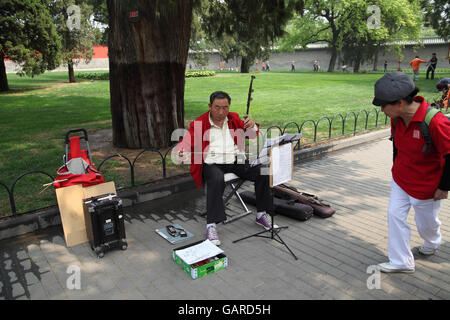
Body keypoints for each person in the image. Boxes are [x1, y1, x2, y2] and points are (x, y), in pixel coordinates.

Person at [372, 72, 450, 273]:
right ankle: (401, 262)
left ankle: (432, 243)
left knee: (426, 224)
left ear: (399, 103)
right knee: (394, 216)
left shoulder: (436, 122)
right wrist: (395, 169)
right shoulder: (396, 118)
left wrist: (444, 187)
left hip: (427, 186)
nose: (381, 110)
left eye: (383, 105)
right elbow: (397, 146)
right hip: (401, 179)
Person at [176, 91, 275, 246]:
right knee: (216, 179)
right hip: (211, 162)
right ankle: (211, 225)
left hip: (234, 159)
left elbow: (252, 135)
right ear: (210, 106)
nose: (221, 112)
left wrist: (253, 125)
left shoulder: (233, 118)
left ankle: (262, 213)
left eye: (225, 107)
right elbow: (187, 141)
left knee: (263, 171)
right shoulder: (199, 123)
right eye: (217, 107)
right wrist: (182, 150)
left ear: (229, 107)